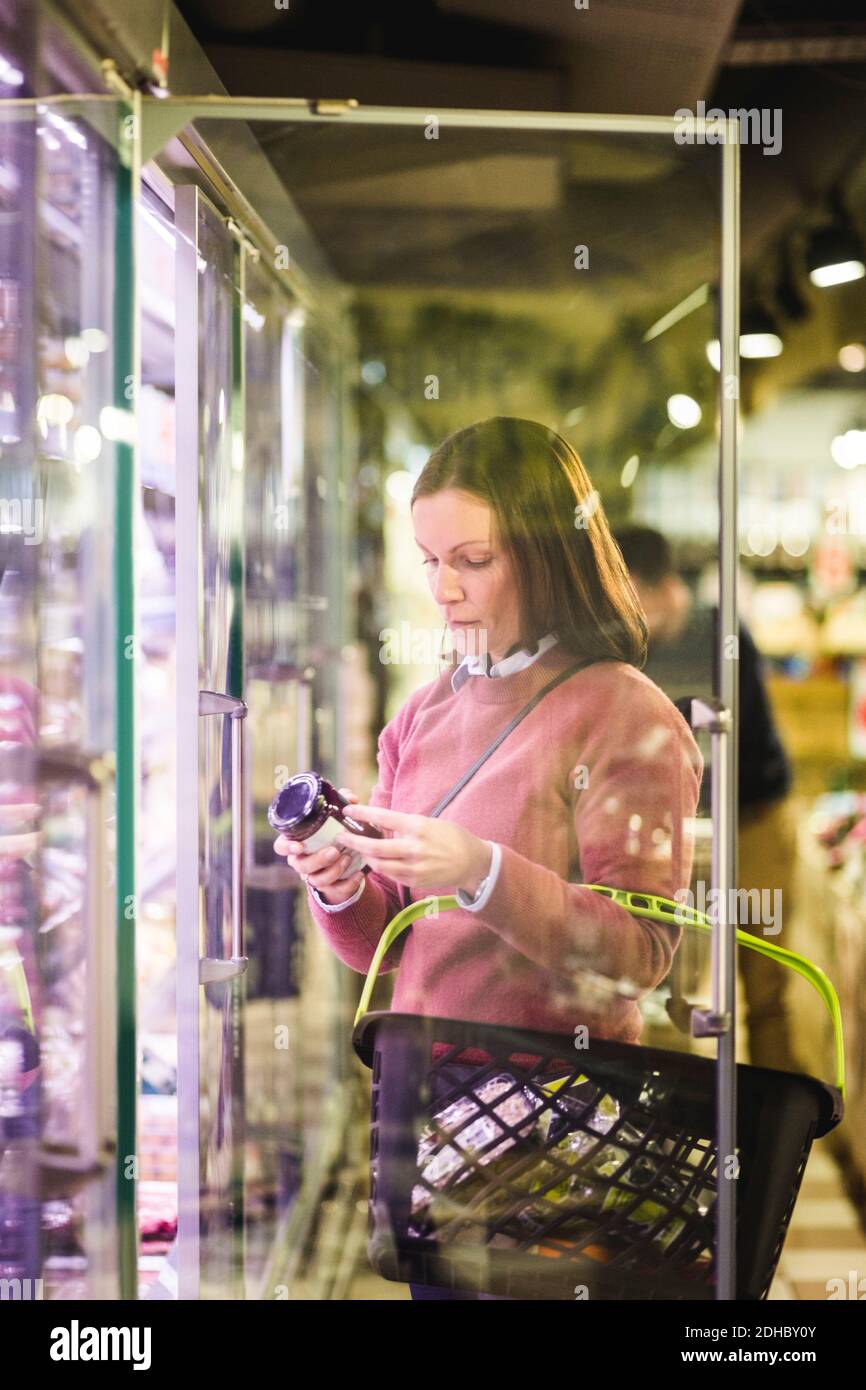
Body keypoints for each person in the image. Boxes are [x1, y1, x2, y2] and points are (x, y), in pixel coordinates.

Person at [274, 418, 703, 1299]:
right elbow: (392, 952)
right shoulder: (426, 713)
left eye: (473, 560)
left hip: (559, 1118)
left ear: (549, 557)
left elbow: (639, 954)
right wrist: (341, 885)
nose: (443, 589)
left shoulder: (625, 713)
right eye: (429, 560)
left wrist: (482, 872)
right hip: (430, 1115)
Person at [613, 526, 798, 1074]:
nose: (621, 613)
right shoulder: (628, 648)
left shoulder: (723, 635)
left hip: (750, 821)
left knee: (766, 983)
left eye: (627, 598)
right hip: (675, 832)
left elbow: (743, 745)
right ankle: (681, 1117)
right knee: (673, 988)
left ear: (661, 586)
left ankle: (775, 1127)